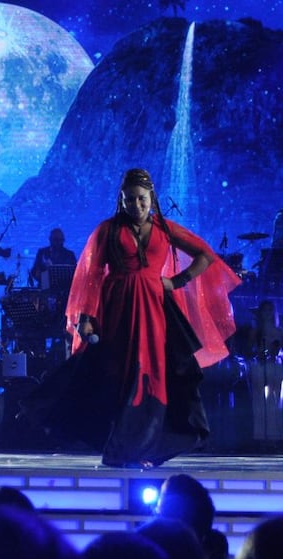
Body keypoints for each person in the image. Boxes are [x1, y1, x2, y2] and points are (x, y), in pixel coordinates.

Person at [36, 167, 239, 468]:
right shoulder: (108, 230)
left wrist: (177, 281)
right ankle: (121, 449)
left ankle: (146, 448)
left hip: (154, 311)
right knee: (120, 375)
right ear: (121, 199)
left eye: (142, 198)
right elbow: (92, 275)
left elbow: (205, 255)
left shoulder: (164, 228)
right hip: (117, 309)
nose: (136, 205)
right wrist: (86, 316)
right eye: (130, 199)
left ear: (151, 198)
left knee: (151, 376)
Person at [247, 299, 283, 450]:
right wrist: (258, 352)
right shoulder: (255, 331)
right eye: (265, 310)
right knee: (259, 402)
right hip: (259, 367)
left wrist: (278, 352)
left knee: (274, 401)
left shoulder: (281, 331)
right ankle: (260, 437)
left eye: (270, 310)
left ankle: (274, 437)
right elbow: (248, 350)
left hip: (275, 367)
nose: (267, 313)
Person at [30, 227, 78, 294]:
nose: (58, 243)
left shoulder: (69, 254)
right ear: (50, 240)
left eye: (61, 240)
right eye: (56, 240)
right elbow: (34, 271)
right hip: (45, 288)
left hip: (64, 289)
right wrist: (40, 273)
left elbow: (75, 273)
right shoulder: (42, 252)